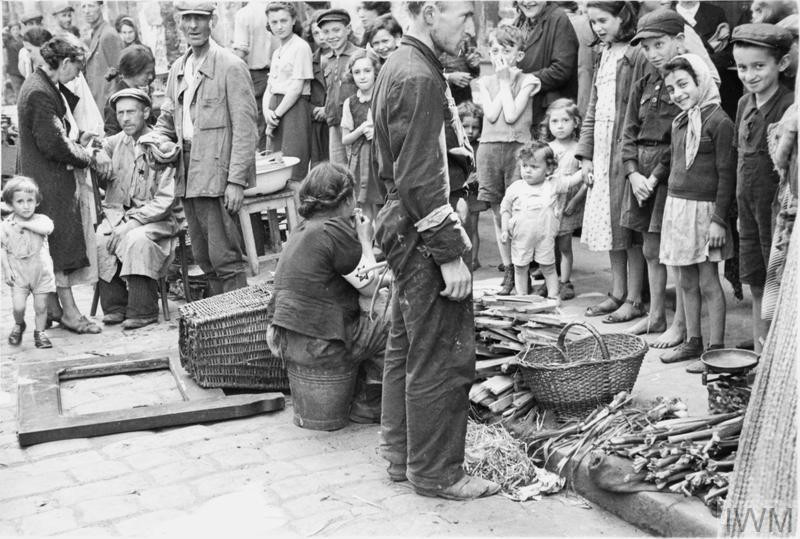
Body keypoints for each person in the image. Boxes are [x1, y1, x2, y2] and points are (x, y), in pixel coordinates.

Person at [372, 0, 499, 500]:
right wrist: (449, 253)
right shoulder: (417, 75)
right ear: (429, 12)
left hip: (408, 227)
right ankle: (438, 472)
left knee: (407, 348)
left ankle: (403, 457)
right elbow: (419, 176)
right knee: (442, 356)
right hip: (423, 233)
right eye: (464, 15)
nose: (471, 27)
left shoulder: (408, 65)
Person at [266, 162, 391, 427]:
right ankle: (370, 401)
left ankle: (359, 394)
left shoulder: (302, 229)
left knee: (364, 309)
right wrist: (365, 239)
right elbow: (369, 284)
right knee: (391, 316)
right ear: (346, 200)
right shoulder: (335, 231)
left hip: (287, 342)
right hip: (322, 347)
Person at [153, 1, 257, 296]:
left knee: (225, 257)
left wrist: (236, 181)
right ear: (180, 23)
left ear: (212, 22)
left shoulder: (230, 66)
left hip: (218, 175)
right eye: (188, 19)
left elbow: (246, 129)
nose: (194, 25)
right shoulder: (178, 68)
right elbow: (166, 118)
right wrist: (159, 141)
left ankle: (239, 324)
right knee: (204, 256)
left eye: (201, 18)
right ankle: (219, 323)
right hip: (186, 174)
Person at [17, 34, 113, 335]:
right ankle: (71, 313)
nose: (79, 75)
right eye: (77, 67)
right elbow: (54, 144)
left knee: (54, 246)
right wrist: (89, 156)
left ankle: (57, 309)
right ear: (66, 62)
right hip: (49, 179)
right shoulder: (38, 92)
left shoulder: (43, 84)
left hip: (45, 176)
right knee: (59, 247)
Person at [659, 54, 735, 372]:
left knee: (708, 282)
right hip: (678, 209)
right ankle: (692, 341)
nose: (677, 93)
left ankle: (714, 351)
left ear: (701, 80)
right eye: (671, 88)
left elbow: (727, 174)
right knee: (685, 281)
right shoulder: (680, 122)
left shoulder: (719, 121)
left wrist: (719, 220)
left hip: (705, 214)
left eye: (683, 84)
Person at [620, 9, 691, 345]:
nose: (652, 53)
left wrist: (655, 176)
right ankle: (657, 315)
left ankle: (681, 321)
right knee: (649, 247)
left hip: (668, 173)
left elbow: (679, 137)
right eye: (646, 47)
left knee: (672, 250)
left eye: (659, 44)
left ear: (679, 41)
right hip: (641, 174)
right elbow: (628, 133)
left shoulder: (687, 83)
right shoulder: (642, 84)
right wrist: (633, 173)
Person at [577, 2, 648, 322]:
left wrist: (630, 153)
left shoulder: (636, 54)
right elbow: (593, 107)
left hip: (625, 149)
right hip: (602, 150)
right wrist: (586, 154)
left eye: (604, 21)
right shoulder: (602, 53)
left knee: (628, 226)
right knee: (609, 226)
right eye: (593, 23)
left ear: (624, 17)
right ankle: (617, 291)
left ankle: (635, 297)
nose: (598, 28)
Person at [731, 23, 795, 354]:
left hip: (777, 212)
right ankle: (760, 349)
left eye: (759, 66)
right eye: (742, 67)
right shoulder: (744, 104)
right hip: (748, 211)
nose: (750, 75)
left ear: (781, 64)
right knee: (756, 280)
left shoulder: (789, 106)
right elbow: (738, 158)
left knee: (777, 283)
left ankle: (777, 353)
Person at [96, 88, 182, 330]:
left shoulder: (160, 145)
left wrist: (133, 223)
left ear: (145, 112)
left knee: (136, 239)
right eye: (120, 113)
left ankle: (143, 309)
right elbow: (94, 144)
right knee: (102, 238)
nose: (124, 118)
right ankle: (116, 306)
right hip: (121, 214)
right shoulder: (118, 142)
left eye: (131, 112)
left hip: (157, 219)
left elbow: (166, 200)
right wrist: (98, 152)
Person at [475, 24, 541, 295]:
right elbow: (491, 115)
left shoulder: (529, 80)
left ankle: (522, 265)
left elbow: (512, 115)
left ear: (519, 54)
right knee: (497, 212)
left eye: (506, 49)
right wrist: (499, 80)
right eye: (494, 49)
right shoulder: (483, 82)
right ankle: (508, 271)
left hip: (517, 150)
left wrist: (504, 80)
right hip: (490, 148)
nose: (499, 54)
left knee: (518, 212)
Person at [501, 140, 584, 298]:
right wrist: (505, 229)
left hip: (545, 237)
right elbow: (505, 209)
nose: (528, 171)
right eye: (524, 166)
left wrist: (588, 167)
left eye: (534, 167)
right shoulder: (516, 187)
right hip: (521, 237)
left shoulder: (553, 184)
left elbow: (572, 180)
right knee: (520, 267)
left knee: (548, 267)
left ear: (549, 169)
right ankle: (522, 297)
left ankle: (553, 296)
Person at [1, 177, 56, 348]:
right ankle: (19, 324)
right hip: (19, 273)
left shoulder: (41, 220)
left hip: (41, 273)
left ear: (37, 202)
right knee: (18, 307)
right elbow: (2, 248)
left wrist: (25, 225)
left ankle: (40, 333)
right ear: (10, 204)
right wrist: (7, 270)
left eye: (30, 201)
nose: (26, 206)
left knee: (41, 307)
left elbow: (47, 229)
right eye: (20, 201)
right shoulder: (6, 225)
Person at [263, 2, 313, 183]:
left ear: (293, 20)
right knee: (276, 163)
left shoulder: (300, 47)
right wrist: (267, 112)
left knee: (294, 165)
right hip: (276, 108)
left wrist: (276, 114)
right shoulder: (277, 51)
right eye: (274, 22)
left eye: (283, 20)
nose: (279, 26)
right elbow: (270, 86)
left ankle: (299, 209)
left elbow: (296, 87)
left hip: (293, 108)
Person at [542, 98, 585, 300]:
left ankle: (565, 281)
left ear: (575, 122)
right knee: (547, 244)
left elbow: (587, 179)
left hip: (568, 203)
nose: (560, 126)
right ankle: (549, 279)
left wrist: (575, 201)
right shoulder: (546, 148)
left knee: (565, 245)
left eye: (565, 121)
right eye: (555, 121)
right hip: (548, 204)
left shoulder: (579, 149)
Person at [513, 1, 579, 129]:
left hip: (549, 115)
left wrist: (523, 81)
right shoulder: (519, 22)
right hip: (524, 111)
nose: (527, 2)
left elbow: (561, 70)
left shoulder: (558, 19)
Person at [318, 9, 363, 166]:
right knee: (339, 169)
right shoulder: (325, 60)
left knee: (358, 166)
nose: (331, 36)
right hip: (335, 124)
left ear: (348, 29)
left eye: (336, 30)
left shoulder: (359, 55)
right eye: (326, 32)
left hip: (356, 124)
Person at [233, 1, 277, 153]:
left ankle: (263, 158)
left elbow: (241, 50)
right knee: (272, 119)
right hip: (278, 72)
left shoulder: (245, 13)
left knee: (257, 120)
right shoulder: (278, 8)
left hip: (255, 74)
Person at [341, 50, 379, 209]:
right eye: (357, 72)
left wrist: (376, 131)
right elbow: (345, 139)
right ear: (351, 75)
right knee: (363, 207)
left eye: (367, 71)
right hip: (360, 162)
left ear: (375, 72)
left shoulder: (382, 97)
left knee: (381, 203)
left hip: (380, 160)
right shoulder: (350, 103)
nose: (362, 76)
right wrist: (361, 129)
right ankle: (366, 234)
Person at [103, 44, 156, 136]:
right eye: (147, 73)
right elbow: (112, 133)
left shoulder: (138, 92)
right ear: (135, 70)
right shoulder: (117, 97)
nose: (150, 76)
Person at [457, 100, 484, 271]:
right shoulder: (455, 145)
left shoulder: (480, 147)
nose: (470, 131)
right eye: (465, 126)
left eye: (475, 127)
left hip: (472, 193)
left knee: (472, 226)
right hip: (458, 191)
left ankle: (473, 259)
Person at [82, 1, 124, 110]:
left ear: (101, 7)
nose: (87, 11)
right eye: (84, 6)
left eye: (91, 6)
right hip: (97, 101)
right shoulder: (94, 34)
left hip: (108, 103)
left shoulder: (108, 34)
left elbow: (120, 73)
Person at [308, 13, 330, 167]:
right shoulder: (309, 61)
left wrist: (328, 109)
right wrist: (314, 109)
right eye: (316, 33)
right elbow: (303, 94)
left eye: (324, 31)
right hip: (317, 124)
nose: (321, 36)